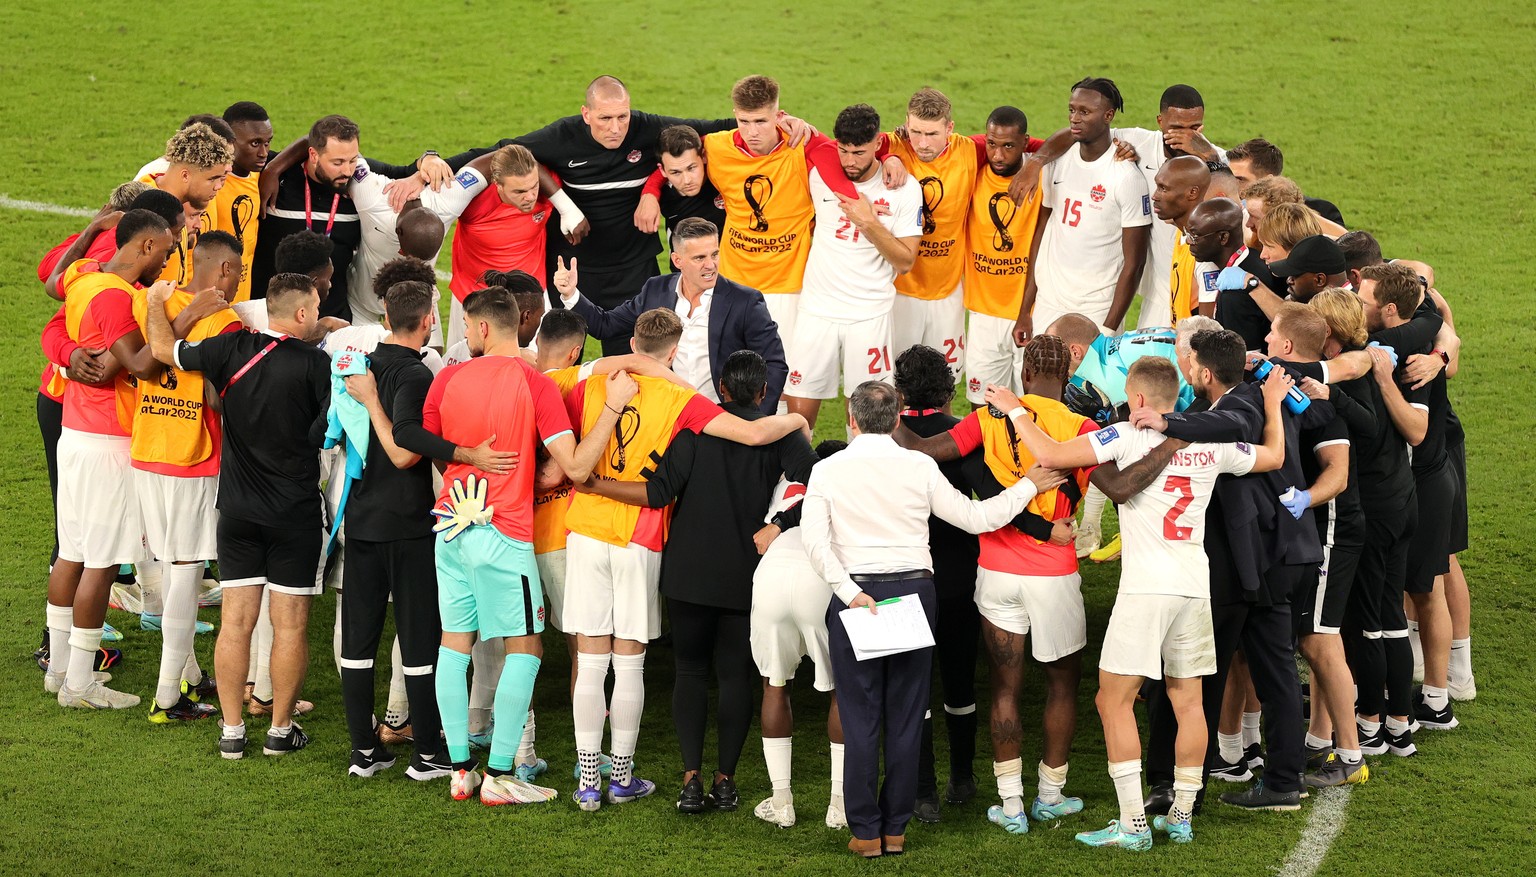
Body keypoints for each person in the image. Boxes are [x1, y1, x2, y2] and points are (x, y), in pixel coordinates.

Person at [998, 357, 1289, 850]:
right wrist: (1275, 405)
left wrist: (1013, 410)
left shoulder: (1124, 436)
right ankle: (1180, 816)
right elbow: (1275, 456)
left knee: (1111, 700)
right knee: (1189, 701)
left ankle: (1132, 823)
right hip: (1195, 584)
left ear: (1136, 400)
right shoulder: (1209, 441)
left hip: (1145, 589)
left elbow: (1048, 451)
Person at [801, 380, 1065, 858]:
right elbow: (976, 518)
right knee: (906, 715)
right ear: (898, 419)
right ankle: (895, 828)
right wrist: (1030, 484)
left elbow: (814, 544)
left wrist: (850, 593)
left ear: (852, 420)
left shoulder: (829, 470)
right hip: (913, 591)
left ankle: (865, 831)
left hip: (856, 592)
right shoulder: (919, 464)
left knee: (860, 717)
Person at [561, 308, 810, 812]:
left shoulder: (623, 398)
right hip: (693, 554)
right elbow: (797, 468)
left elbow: (656, 492)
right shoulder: (716, 414)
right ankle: (681, 779)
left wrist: (592, 483)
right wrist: (780, 518)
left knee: (640, 666)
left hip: (637, 550)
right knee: (693, 668)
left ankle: (639, 781)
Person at [422, 287, 637, 804]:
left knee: (455, 645)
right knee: (527, 647)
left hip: (451, 526)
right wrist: (611, 408)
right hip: (505, 531)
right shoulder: (533, 382)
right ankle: (499, 774)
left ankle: (459, 771)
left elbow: (435, 451)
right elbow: (579, 466)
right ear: (512, 325)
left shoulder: (447, 377)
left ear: (478, 329)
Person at [896, 336, 1096, 835]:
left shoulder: (986, 418)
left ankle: (1010, 806)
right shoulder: (1083, 427)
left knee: (1005, 688)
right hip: (1053, 573)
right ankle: (1049, 796)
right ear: (1066, 377)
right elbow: (1112, 488)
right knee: (1061, 686)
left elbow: (921, 449)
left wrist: (887, 410)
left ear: (1024, 375)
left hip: (996, 574)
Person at [1129, 329, 1332, 811]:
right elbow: (1320, 413)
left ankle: (1182, 786)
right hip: (1278, 554)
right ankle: (1283, 781)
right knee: (1276, 671)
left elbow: (1229, 424)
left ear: (1203, 371)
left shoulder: (1244, 403)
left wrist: (1164, 419)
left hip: (1249, 560)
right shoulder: (1268, 392)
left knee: (1198, 670)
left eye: (1190, 363)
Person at [335, 280, 519, 782]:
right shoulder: (415, 375)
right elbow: (404, 451)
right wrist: (465, 453)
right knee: (419, 642)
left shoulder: (360, 364)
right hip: (409, 524)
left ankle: (363, 753)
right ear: (428, 321)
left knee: (359, 640)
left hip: (363, 520)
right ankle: (429, 756)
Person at [145, 272, 331, 758]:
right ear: (302, 314)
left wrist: (154, 302)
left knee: (235, 624)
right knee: (289, 625)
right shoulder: (317, 364)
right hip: (294, 514)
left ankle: (230, 732)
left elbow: (165, 351)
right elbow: (325, 433)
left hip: (238, 512)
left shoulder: (228, 349)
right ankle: (279, 730)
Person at [423, 76, 741, 354]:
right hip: (572, 270)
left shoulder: (646, 128)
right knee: (556, 358)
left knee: (629, 360)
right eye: (604, 118)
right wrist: (430, 161)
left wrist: (784, 124)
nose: (615, 128)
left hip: (633, 270)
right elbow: (505, 150)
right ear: (586, 114)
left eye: (622, 117)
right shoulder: (564, 137)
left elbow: (713, 129)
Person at [45, 209, 179, 709]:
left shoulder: (85, 276)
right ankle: (80, 683)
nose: (165, 263)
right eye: (164, 252)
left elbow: (55, 284)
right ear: (144, 247)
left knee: (72, 552)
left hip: (75, 433)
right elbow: (140, 365)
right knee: (100, 564)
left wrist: (91, 229)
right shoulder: (118, 298)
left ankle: (59, 671)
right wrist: (177, 316)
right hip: (110, 444)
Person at [132, 231, 245, 723]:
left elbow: (146, 364)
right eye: (238, 271)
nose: (239, 280)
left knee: (170, 564)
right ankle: (167, 697)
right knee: (186, 571)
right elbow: (222, 398)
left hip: (148, 450)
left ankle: (190, 676)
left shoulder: (154, 303)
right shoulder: (223, 321)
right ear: (223, 270)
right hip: (194, 458)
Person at [1263, 303, 1369, 786]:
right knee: (1315, 638)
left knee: (1320, 639)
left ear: (1286, 346)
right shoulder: (1279, 386)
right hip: (1314, 531)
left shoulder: (1319, 401)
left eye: (1270, 335)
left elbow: (1339, 475)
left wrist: (1303, 499)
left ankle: (1351, 756)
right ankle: (1322, 741)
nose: (1264, 340)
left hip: (1331, 529)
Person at [692, 75, 877, 351]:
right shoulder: (716, 147)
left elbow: (856, 152)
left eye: (761, 122)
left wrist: (891, 156)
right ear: (735, 116)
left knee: (783, 378)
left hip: (788, 289)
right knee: (731, 379)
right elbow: (670, 153)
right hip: (732, 282)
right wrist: (651, 192)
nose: (752, 132)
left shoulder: (802, 146)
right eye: (744, 122)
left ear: (778, 116)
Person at [1360, 263, 1459, 739]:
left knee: (1425, 588)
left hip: (1424, 480)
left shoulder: (1417, 358)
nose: (1359, 306)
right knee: (1399, 592)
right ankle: (1393, 693)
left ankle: (1437, 698)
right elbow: (1440, 320)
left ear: (1390, 308)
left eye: (1365, 300)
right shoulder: (1422, 339)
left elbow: (1416, 433)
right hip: (1407, 482)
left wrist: (1435, 356)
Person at [553, 217, 788, 412]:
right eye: (699, 258)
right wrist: (571, 293)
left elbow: (775, 363)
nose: (711, 265)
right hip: (668, 413)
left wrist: (757, 417)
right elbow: (605, 325)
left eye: (714, 254)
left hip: (722, 415)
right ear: (677, 261)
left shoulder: (745, 301)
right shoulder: (655, 290)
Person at [782, 104, 922, 428]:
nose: (849, 161)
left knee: (867, 420)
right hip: (817, 310)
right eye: (843, 150)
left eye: (858, 152)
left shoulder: (903, 190)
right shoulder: (820, 175)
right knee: (799, 420)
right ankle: (793, 478)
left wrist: (869, 223)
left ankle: (855, 476)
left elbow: (905, 261)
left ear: (878, 143)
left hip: (869, 315)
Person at [890, 346, 981, 823]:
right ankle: (962, 777)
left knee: (913, 688)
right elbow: (989, 494)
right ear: (948, 392)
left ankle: (922, 791)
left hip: (903, 579)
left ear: (899, 392)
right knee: (960, 682)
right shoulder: (964, 433)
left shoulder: (882, 438)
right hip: (958, 576)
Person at [748, 439, 848, 829]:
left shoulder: (784, 484)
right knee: (842, 689)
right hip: (818, 576)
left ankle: (781, 801)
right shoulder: (842, 483)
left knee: (775, 685)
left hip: (772, 572)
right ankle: (838, 805)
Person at [1014, 77, 1151, 340]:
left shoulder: (1126, 178)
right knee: (1036, 378)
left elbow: (1135, 263)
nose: (1074, 118)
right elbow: (1041, 235)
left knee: (1083, 382)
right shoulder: (1057, 162)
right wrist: (1025, 309)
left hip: (1096, 309)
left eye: (1085, 112)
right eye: (1072, 109)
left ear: (1109, 115)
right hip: (1049, 302)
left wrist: (1109, 329)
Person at [886, 87, 978, 365]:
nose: (922, 143)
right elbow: (845, 149)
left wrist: (1037, 164)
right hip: (898, 290)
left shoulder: (971, 150)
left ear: (949, 128)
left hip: (948, 293)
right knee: (896, 382)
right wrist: (887, 156)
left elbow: (1023, 142)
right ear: (906, 123)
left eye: (932, 134)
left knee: (944, 381)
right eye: (916, 132)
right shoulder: (890, 145)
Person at [963, 106, 1044, 405]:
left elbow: (1071, 144)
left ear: (1025, 143)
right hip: (984, 313)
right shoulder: (973, 174)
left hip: (1033, 311)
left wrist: (1036, 163)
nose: (998, 155)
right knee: (982, 405)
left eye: (1009, 146)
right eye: (992, 144)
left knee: (1034, 405)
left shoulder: (1045, 178)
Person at [251, 115, 366, 321]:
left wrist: (428, 159)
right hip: (270, 320)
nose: (348, 171)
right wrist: (272, 169)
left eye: (352, 160)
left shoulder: (363, 180)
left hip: (331, 322)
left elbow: (406, 172)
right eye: (337, 162)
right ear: (313, 155)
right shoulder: (277, 174)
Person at [143, 122, 235, 286]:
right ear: (185, 175)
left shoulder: (179, 206)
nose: (218, 186)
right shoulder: (144, 206)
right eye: (212, 179)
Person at [1185, 198, 1278, 349]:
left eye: (1195, 236)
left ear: (1223, 237)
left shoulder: (1234, 295)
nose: (1188, 241)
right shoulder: (1255, 257)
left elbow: (1245, 360)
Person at [634, 125, 726, 248]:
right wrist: (650, 193)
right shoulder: (664, 195)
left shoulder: (723, 172)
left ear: (704, 156)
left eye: (692, 168)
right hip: (684, 265)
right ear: (662, 170)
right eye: (675, 172)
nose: (687, 180)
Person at [1224, 138, 1346, 225]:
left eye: (1240, 180)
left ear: (1267, 181)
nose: (1232, 186)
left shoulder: (1323, 212)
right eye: (1229, 178)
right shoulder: (1228, 215)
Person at [1151, 156, 1213, 325]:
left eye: (1163, 189)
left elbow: (1207, 329)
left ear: (1192, 193)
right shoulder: (1184, 230)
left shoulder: (1204, 253)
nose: (1154, 196)